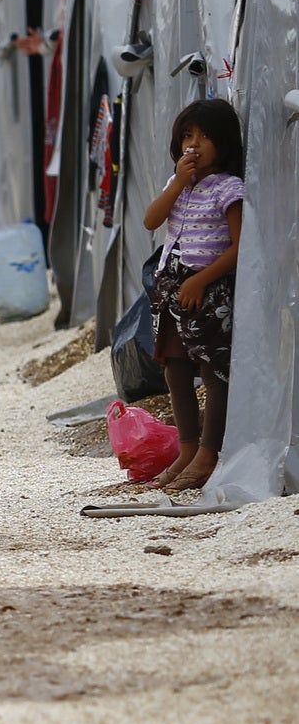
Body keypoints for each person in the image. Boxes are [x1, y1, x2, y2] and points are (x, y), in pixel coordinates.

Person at [144, 98, 245, 493]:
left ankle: (208, 453)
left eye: (204, 137)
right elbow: (151, 220)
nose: (194, 145)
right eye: (187, 135)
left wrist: (202, 280)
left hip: (208, 288)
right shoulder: (179, 183)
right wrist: (179, 182)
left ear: (224, 143)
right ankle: (186, 448)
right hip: (172, 285)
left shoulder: (229, 188)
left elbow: (241, 246)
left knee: (213, 370)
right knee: (175, 366)